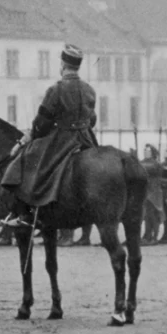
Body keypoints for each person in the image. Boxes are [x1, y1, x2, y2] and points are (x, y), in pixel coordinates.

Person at [12, 44, 98, 221]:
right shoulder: (89, 89)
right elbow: (93, 119)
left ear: (63, 66)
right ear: (77, 66)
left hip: (63, 141)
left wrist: (27, 139)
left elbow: (41, 124)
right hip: (87, 140)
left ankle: (27, 214)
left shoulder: (55, 90)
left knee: (32, 164)